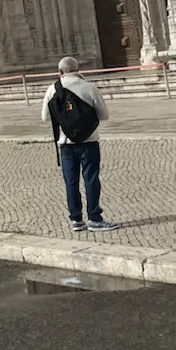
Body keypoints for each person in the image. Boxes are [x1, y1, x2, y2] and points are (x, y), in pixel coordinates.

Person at [42, 57, 118, 233]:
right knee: (91, 178)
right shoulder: (88, 87)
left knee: (71, 181)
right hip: (88, 140)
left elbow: (45, 117)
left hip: (65, 143)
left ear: (60, 72)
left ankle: (76, 219)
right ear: (77, 69)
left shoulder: (52, 89)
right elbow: (104, 115)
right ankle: (94, 218)